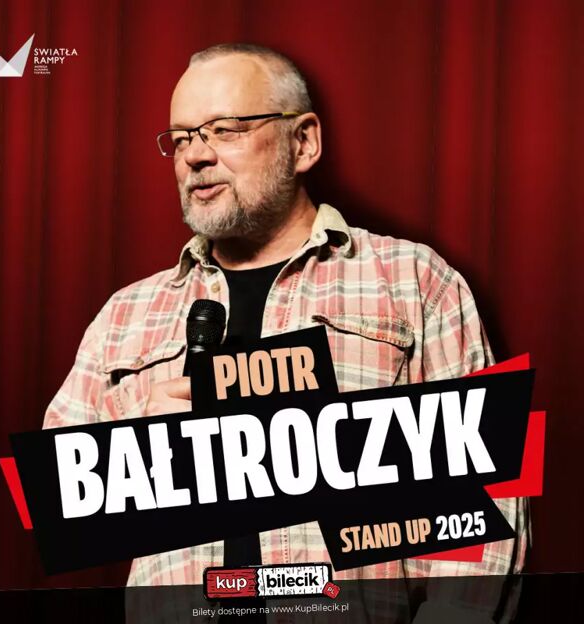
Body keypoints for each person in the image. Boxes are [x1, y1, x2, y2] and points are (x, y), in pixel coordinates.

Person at [43, 43, 528, 592]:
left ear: (303, 142)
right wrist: (136, 451)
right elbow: (57, 503)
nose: (195, 156)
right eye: (181, 139)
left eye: (225, 130)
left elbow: (491, 503)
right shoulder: (124, 317)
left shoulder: (413, 282)